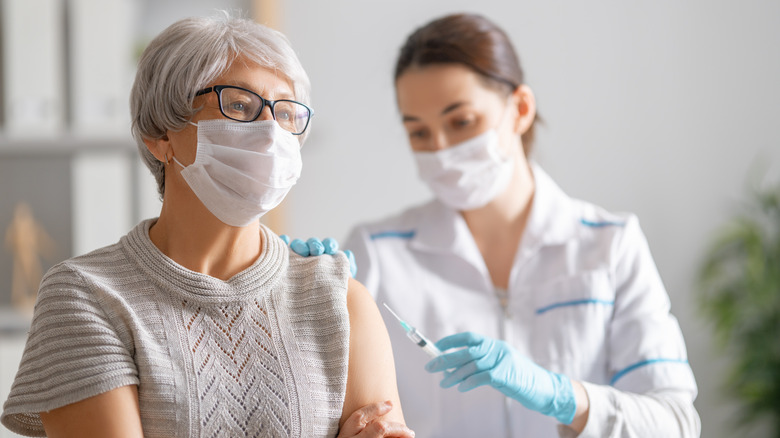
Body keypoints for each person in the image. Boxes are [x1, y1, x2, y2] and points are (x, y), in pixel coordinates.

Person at [0, 14, 413, 438]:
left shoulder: (337, 298)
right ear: (161, 135)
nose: (270, 131)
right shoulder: (89, 296)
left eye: (286, 112)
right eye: (239, 105)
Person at [297, 12, 700, 438]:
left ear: (520, 109)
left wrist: (561, 396)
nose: (441, 150)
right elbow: (319, 410)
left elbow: (675, 423)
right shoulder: (377, 252)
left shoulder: (610, 246)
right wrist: (294, 293)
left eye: (461, 122)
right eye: (418, 133)